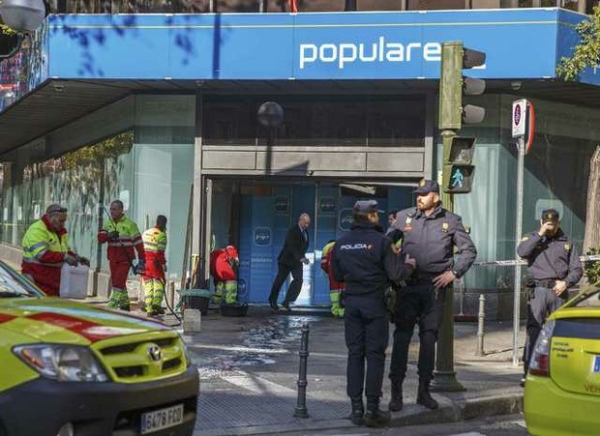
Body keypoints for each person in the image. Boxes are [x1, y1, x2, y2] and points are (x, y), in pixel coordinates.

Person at [387, 179, 477, 411]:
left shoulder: (451, 220)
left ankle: (423, 392)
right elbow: (385, 245)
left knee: (428, 341)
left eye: (424, 194)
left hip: (434, 288)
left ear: (436, 197)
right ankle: (396, 393)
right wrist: (395, 269)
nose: (419, 197)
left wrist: (454, 273)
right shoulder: (404, 217)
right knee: (401, 339)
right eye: (418, 194)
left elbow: (469, 251)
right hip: (407, 287)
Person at [332, 200, 416, 428]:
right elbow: (396, 273)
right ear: (370, 217)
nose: (378, 216)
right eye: (376, 214)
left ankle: (356, 409)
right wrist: (409, 264)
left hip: (352, 305)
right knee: (375, 355)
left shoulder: (341, 243)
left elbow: (337, 275)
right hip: (375, 305)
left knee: (354, 355)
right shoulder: (382, 242)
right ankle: (372, 409)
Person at [517, 208, 582, 386]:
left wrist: (566, 283)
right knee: (534, 331)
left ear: (558, 223)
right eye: (547, 223)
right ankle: (528, 372)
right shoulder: (531, 237)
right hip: (537, 290)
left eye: (553, 224)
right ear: (541, 222)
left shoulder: (567, 242)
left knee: (558, 333)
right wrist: (540, 234)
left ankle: (556, 371)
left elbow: (577, 269)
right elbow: (522, 252)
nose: (550, 227)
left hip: (558, 291)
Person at [21, 204, 89, 296]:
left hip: (52, 282)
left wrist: (77, 258)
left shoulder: (60, 231)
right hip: (37, 282)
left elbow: (64, 251)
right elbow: (42, 254)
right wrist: (65, 257)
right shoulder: (37, 230)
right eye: (61, 221)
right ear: (50, 217)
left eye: (64, 221)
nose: (63, 224)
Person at [97, 200, 145, 311]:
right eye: (111, 209)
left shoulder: (130, 225)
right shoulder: (108, 223)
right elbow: (100, 238)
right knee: (117, 281)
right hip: (112, 259)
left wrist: (142, 259)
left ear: (121, 210)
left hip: (125, 260)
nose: (112, 211)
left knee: (118, 283)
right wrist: (109, 235)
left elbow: (138, 243)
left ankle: (111, 308)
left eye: (114, 209)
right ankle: (124, 304)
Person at [268, 212, 311, 311]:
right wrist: (299, 257)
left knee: (299, 280)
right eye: (305, 223)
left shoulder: (305, 233)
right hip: (286, 260)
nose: (307, 225)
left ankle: (286, 301)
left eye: (308, 223)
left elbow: (302, 248)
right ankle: (272, 300)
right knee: (279, 281)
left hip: (296, 261)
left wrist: (303, 258)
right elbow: (291, 246)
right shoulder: (292, 231)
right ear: (300, 221)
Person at [141, 215, 168, 317]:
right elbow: (160, 253)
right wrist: (163, 264)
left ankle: (149, 309)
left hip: (144, 262)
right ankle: (156, 303)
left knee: (148, 285)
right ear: (164, 224)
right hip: (154, 262)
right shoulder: (161, 235)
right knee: (159, 282)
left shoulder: (146, 232)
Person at [320, 239, 345, 318]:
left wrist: (329, 272)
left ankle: (335, 312)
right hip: (344, 272)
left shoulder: (326, 247)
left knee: (334, 292)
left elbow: (323, 264)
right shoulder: (343, 245)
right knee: (344, 291)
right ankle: (343, 312)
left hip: (333, 273)